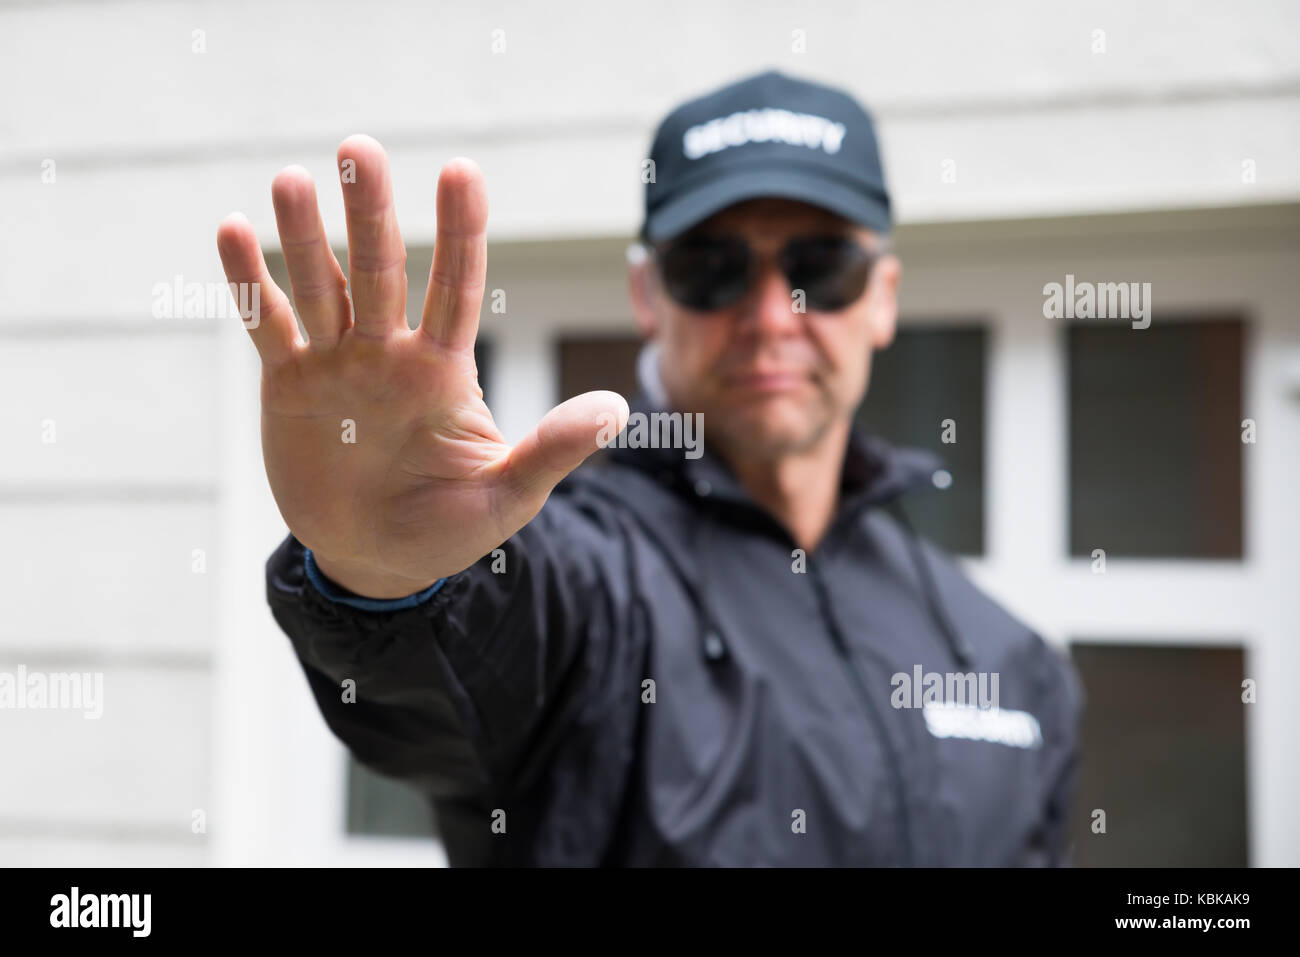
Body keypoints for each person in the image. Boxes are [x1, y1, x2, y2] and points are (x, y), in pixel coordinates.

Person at [217, 69, 1083, 866]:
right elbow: (457, 674)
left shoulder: (1006, 657)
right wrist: (391, 577)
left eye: (822, 265)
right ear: (645, 296)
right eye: (713, 268)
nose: (773, 315)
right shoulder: (591, 581)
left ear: (884, 295)